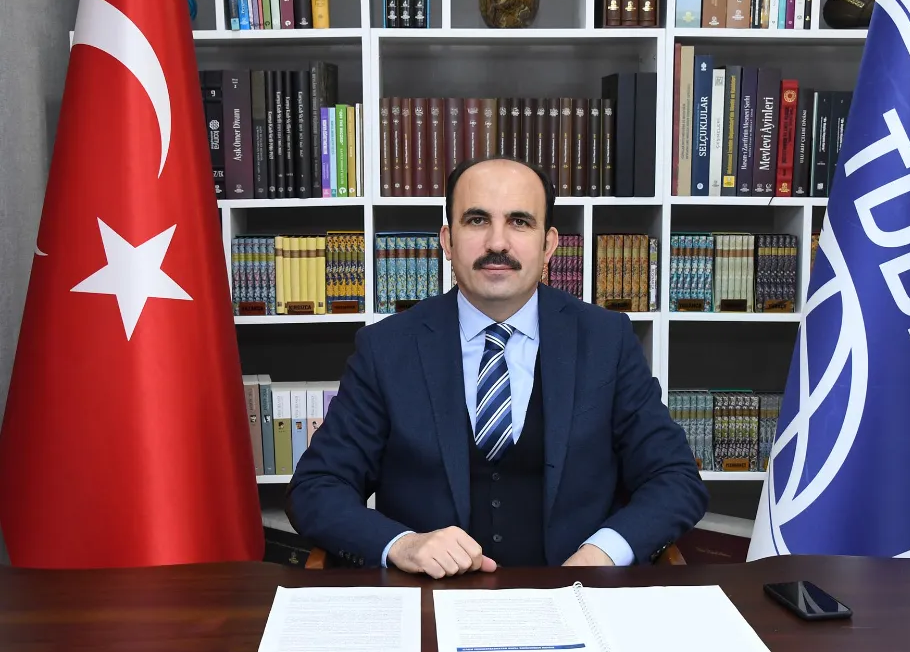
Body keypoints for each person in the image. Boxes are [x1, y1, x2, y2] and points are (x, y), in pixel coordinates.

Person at [285, 156, 708, 578]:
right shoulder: (386, 348)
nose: (497, 243)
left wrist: (602, 553)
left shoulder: (606, 340)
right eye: (477, 220)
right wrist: (403, 544)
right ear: (448, 241)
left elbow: (674, 478)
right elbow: (316, 487)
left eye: (520, 222)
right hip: (430, 599)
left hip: (575, 594)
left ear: (549, 245)